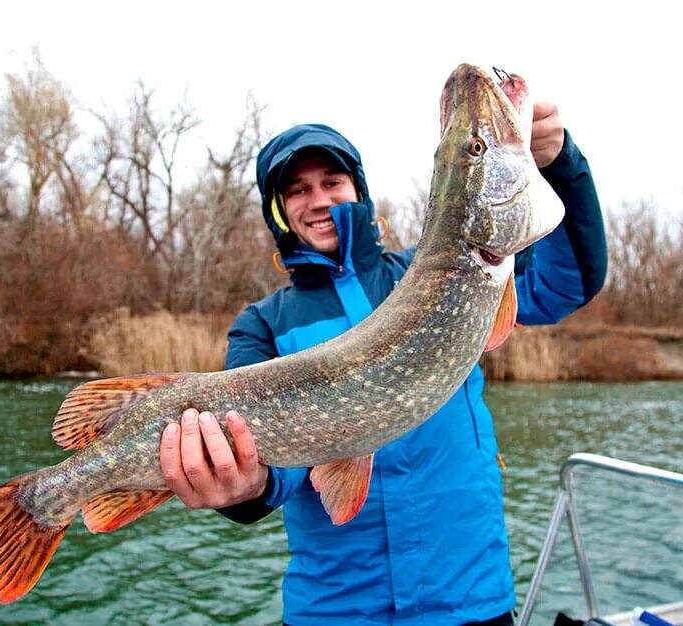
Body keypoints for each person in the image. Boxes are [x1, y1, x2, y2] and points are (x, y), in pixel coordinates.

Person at [159, 102, 607, 624]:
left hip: (470, 601)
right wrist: (243, 488)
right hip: (336, 611)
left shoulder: (448, 274)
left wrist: (560, 165)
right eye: (298, 191)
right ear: (280, 211)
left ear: (358, 191)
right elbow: (270, 470)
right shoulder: (262, 325)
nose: (318, 200)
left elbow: (566, 281)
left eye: (332, 181)